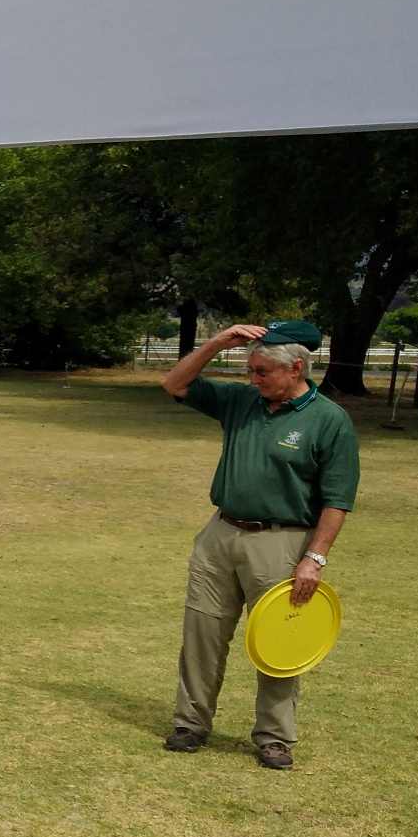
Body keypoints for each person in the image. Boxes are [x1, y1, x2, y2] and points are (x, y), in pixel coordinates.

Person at [159, 320, 359, 769]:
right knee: (202, 631)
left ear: (296, 369)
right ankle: (190, 723)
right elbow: (174, 383)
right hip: (220, 533)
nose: (254, 379)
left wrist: (315, 558)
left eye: (263, 371)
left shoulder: (329, 420)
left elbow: (338, 498)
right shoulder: (240, 401)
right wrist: (217, 342)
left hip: (283, 540)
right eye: (251, 370)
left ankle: (274, 736)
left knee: (279, 638)